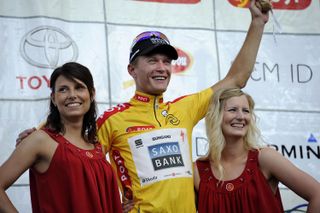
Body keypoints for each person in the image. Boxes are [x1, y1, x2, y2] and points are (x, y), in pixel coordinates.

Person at [15, 0, 270, 212]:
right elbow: (71, 151)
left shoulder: (185, 108)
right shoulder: (112, 119)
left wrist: (257, 23)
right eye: (152, 60)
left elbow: (236, 79)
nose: (161, 68)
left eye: (166, 61)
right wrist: (39, 134)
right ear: (132, 70)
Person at [0, 62, 122, 213]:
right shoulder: (40, 140)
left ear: (91, 94)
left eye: (79, 87)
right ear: (53, 98)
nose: (72, 95)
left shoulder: (96, 145)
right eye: (63, 89)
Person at [194, 88, 320, 213]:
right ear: (215, 116)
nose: (241, 116)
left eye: (246, 111)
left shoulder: (265, 158)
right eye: (232, 110)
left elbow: (317, 194)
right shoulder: (197, 171)